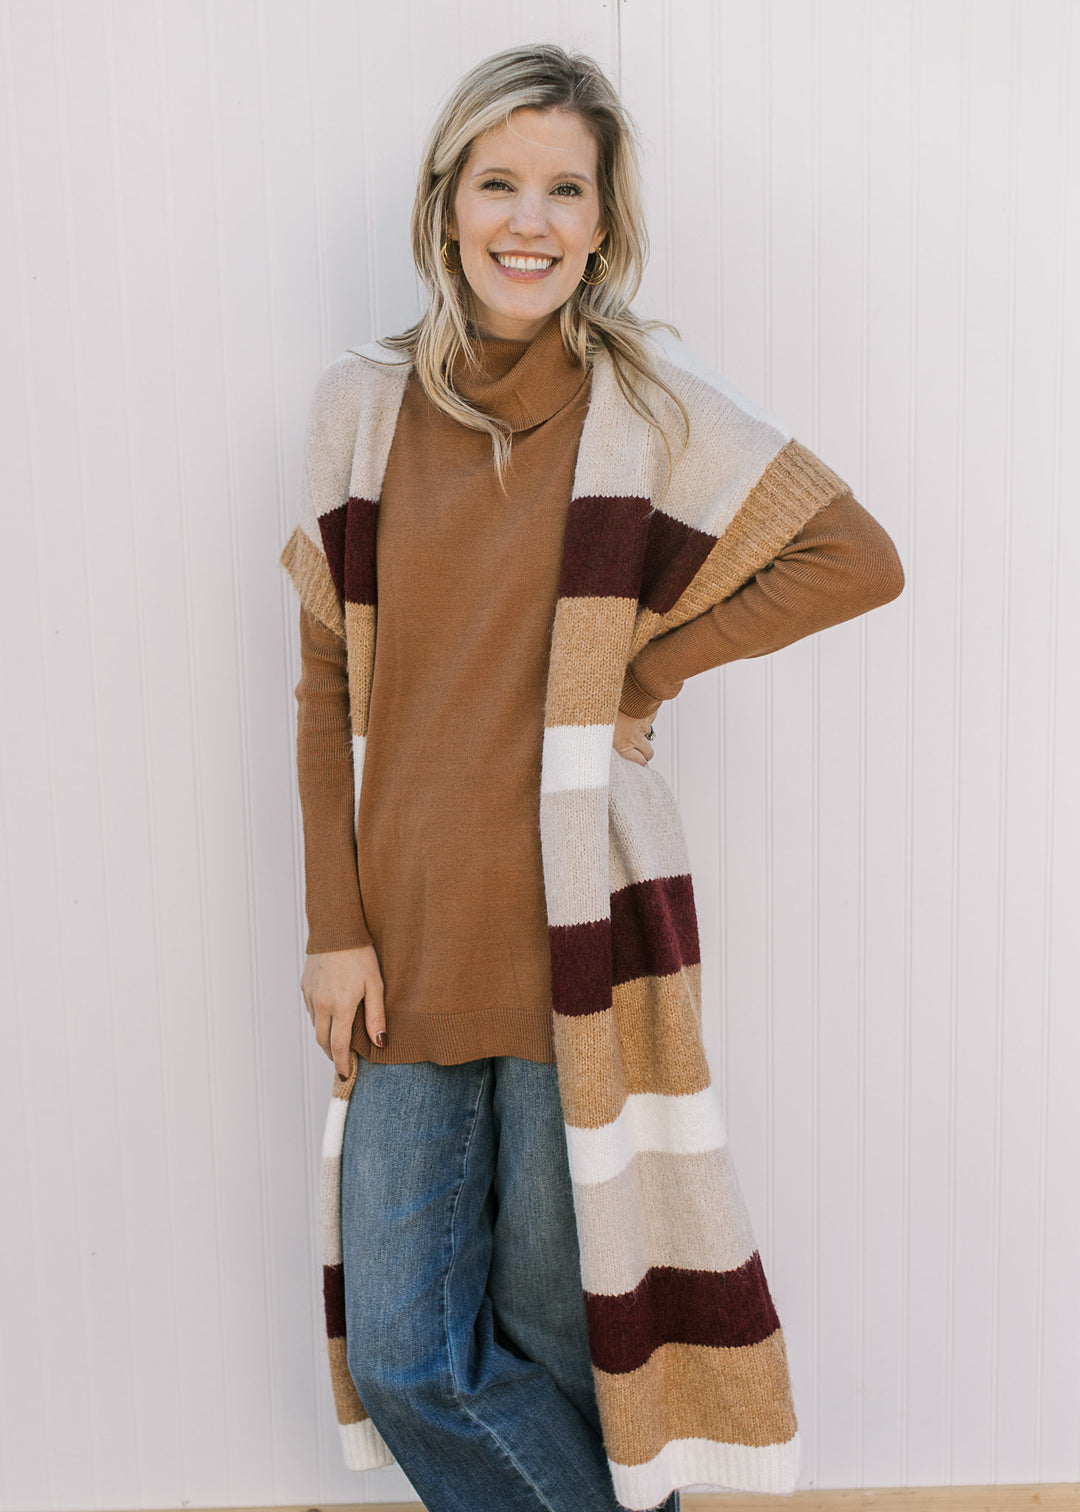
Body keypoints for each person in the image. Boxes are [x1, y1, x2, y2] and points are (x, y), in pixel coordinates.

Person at [281, 43, 904, 1512]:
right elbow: (326, 682)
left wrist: (642, 671)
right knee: (406, 1351)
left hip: (579, 946)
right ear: (446, 208)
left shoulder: (652, 415)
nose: (530, 219)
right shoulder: (359, 412)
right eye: (499, 182)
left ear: (607, 226)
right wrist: (332, 924)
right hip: (409, 947)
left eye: (567, 190)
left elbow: (855, 556)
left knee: (576, 1347)